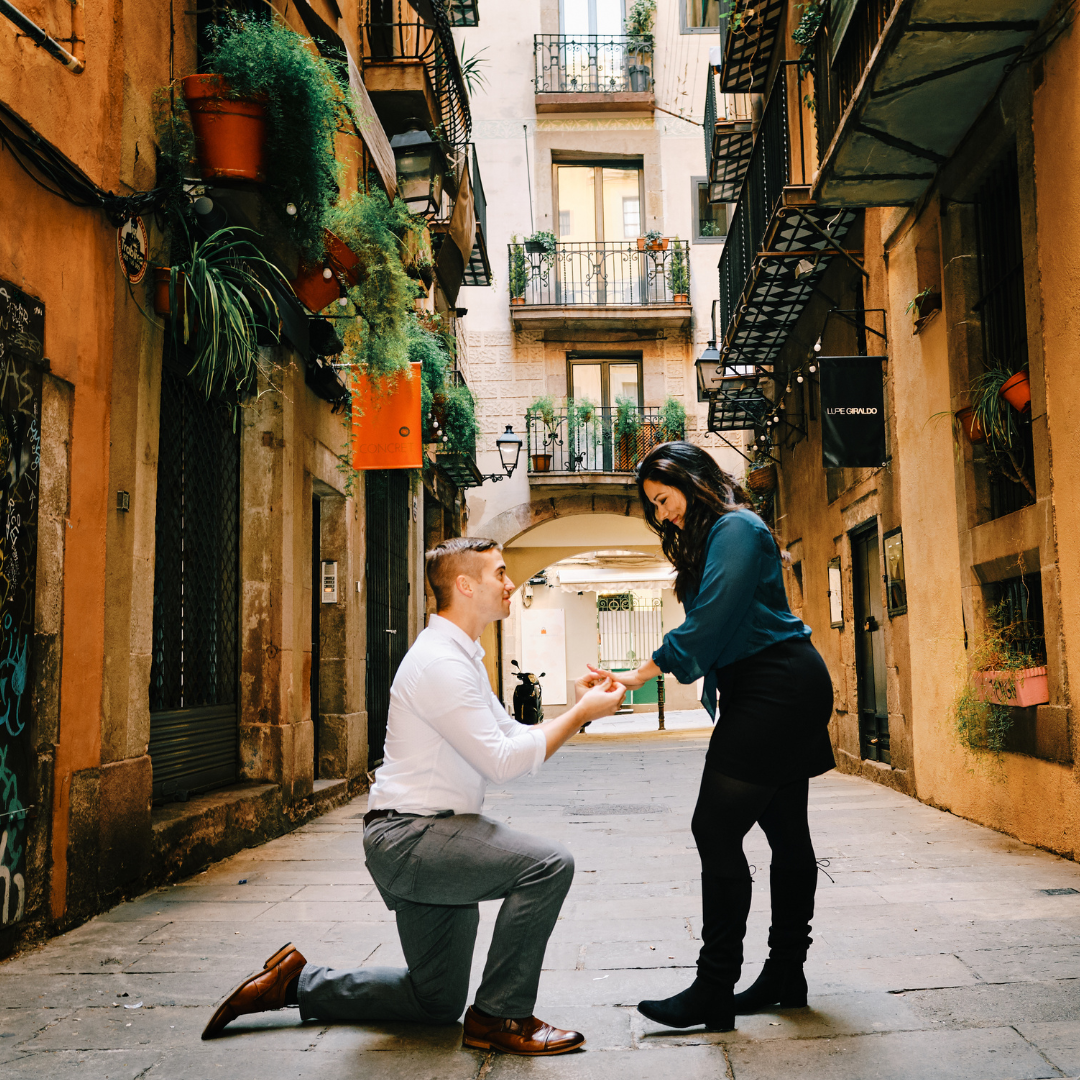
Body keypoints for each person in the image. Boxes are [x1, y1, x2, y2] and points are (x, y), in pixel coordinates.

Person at [202, 536, 626, 1055]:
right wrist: (580, 716)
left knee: (434, 1003)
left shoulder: (461, 657)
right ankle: (501, 1018)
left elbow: (513, 738)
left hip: (435, 837)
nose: (511, 582)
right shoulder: (440, 665)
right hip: (412, 838)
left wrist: (577, 707)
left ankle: (296, 983)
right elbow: (503, 763)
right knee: (548, 864)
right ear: (466, 585)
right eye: (500, 573)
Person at [590, 442, 834, 1032]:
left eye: (664, 499)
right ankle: (784, 975)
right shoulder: (725, 533)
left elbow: (711, 622)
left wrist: (636, 674)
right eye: (653, 507)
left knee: (715, 827)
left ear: (693, 480)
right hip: (773, 685)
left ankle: (714, 986)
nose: (663, 514)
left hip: (775, 688)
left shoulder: (738, 527)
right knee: (785, 831)